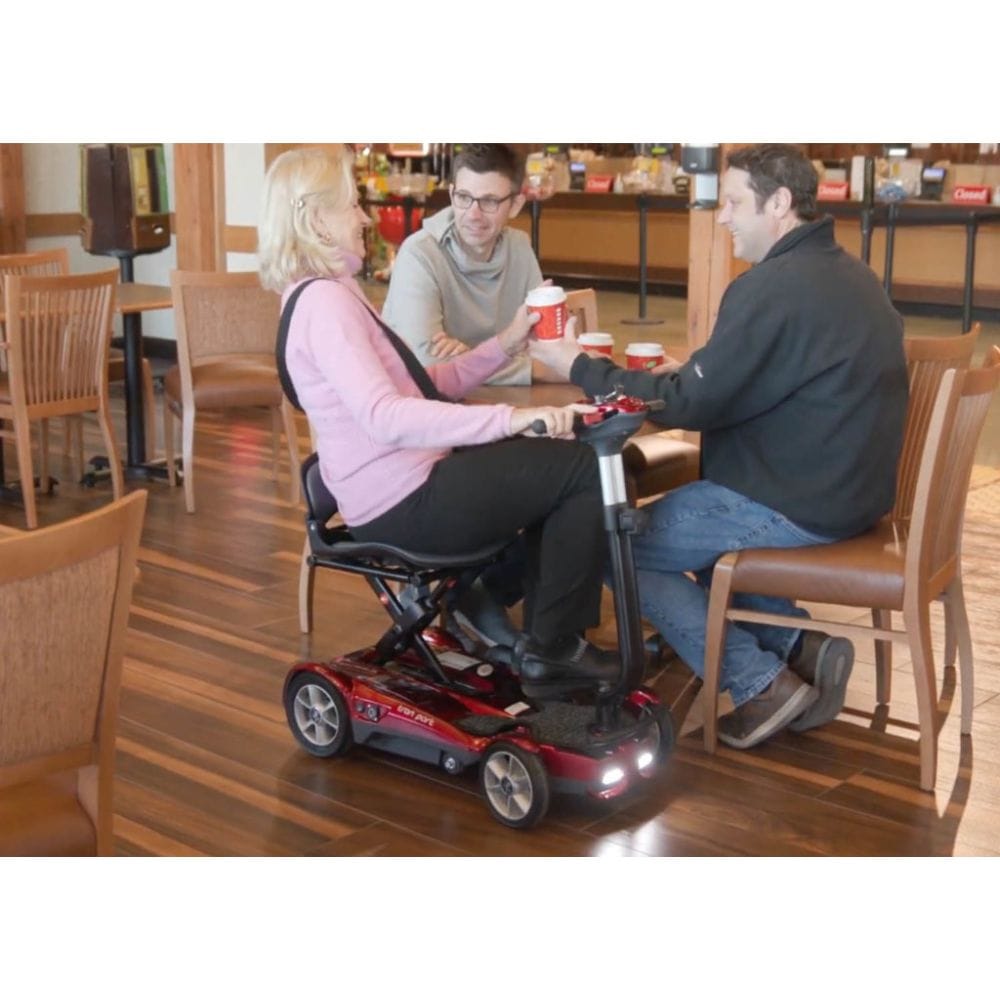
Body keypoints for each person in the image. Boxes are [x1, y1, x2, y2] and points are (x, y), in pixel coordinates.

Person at [530, 143, 909, 749]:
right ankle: (796, 641)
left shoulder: (771, 287)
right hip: (851, 492)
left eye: (734, 202)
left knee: (612, 544)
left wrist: (577, 364)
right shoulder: (850, 275)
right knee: (688, 532)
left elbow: (688, 405)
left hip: (796, 501)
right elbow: (756, 380)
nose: (723, 216)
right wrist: (695, 377)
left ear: (780, 203)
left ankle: (759, 684)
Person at [257, 145, 613, 685]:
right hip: (404, 501)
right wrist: (509, 420)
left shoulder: (331, 293)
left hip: (406, 483)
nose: (364, 216)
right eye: (352, 205)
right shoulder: (325, 305)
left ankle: (508, 616)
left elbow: (425, 385)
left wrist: (505, 344)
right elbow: (386, 416)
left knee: (560, 463)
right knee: (581, 469)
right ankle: (553, 649)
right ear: (315, 221)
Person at [381, 143, 561, 387]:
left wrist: (467, 358)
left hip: (506, 405)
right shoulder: (419, 254)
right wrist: (530, 368)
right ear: (452, 194)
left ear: (516, 205)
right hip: (427, 410)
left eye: (489, 201)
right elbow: (425, 363)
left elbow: (546, 347)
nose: (473, 215)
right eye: (464, 198)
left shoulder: (518, 247)